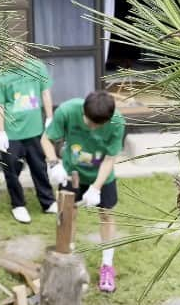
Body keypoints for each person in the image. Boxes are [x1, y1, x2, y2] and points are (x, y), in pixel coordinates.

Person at [41, 90, 125, 293]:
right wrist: (54, 164)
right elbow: (46, 139)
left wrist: (96, 187)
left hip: (102, 175)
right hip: (71, 172)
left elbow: (109, 159)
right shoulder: (67, 111)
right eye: (89, 122)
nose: (93, 128)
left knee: (106, 215)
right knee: (68, 214)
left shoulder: (117, 123)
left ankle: (107, 265)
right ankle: (69, 261)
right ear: (83, 111)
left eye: (98, 125)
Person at [0, 45, 57, 223]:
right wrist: (1, 132)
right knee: (11, 170)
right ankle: (18, 205)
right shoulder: (1, 76)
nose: (17, 58)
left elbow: (45, 92)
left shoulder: (37, 67)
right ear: (5, 57)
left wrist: (50, 118)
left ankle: (48, 202)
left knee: (39, 167)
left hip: (35, 130)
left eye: (19, 54)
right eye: (11, 55)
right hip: (12, 134)